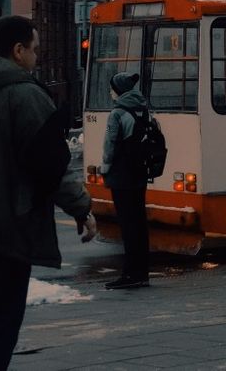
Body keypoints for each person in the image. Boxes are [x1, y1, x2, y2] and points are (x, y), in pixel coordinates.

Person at [0, 15, 97, 371]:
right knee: (0, 327)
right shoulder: (27, 96)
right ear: (17, 51)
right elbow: (51, 168)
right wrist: (81, 209)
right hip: (4, 232)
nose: (37, 58)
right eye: (34, 50)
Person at [100, 71, 150, 290]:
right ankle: (142, 272)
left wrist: (105, 168)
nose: (111, 92)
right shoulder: (143, 108)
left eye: (112, 88)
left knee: (127, 225)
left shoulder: (118, 113)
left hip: (121, 175)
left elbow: (110, 145)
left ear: (118, 90)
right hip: (139, 173)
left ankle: (130, 274)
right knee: (139, 224)